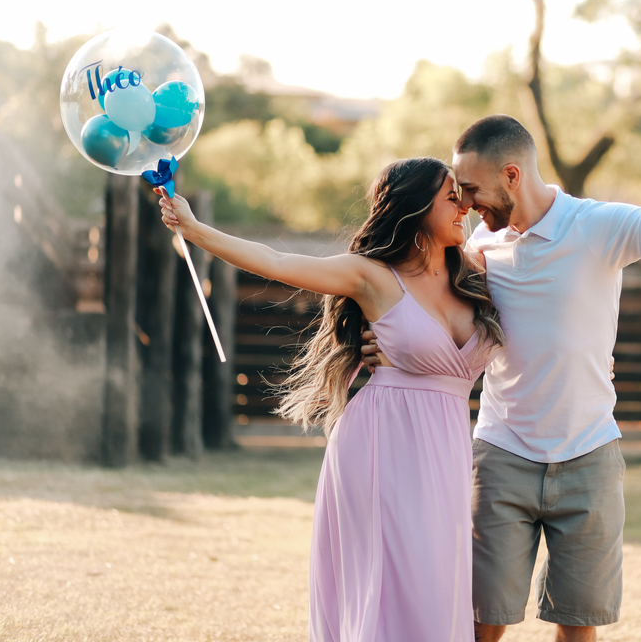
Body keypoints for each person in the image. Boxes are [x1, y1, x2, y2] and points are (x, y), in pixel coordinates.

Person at [363, 115, 641, 642]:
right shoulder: (478, 247)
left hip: (588, 456)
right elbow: (415, 292)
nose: (465, 203)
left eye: (472, 190)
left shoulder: (597, 226)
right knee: (483, 619)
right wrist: (382, 341)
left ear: (511, 175)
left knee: (578, 623)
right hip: (502, 456)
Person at [156, 157, 504, 642]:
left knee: (439, 582)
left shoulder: (478, 270)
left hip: (446, 449)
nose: (463, 207)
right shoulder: (372, 276)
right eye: (451, 197)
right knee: (398, 582)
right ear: (416, 206)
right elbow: (277, 263)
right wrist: (195, 230)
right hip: (383, 443)